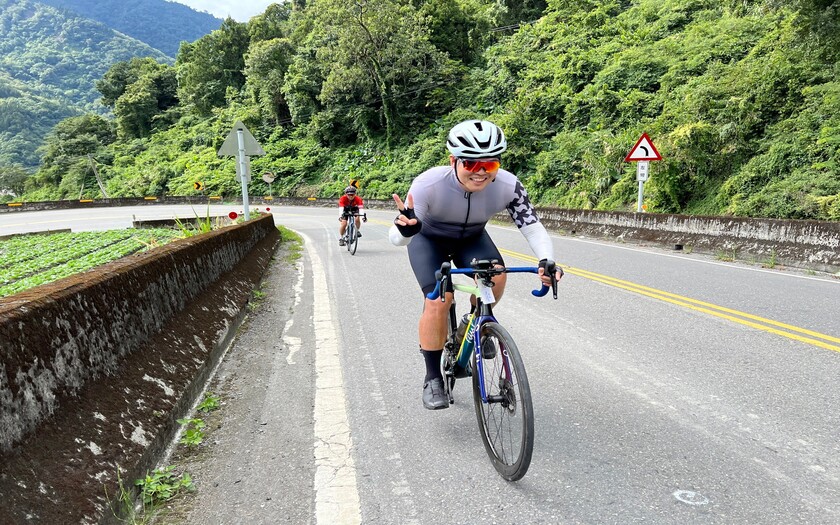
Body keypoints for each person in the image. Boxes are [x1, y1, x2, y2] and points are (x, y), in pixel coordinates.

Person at [389, 119, 564, 410]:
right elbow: (399, 234)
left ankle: (475, 323)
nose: (481, 173)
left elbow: (532, 227)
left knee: (497, 274)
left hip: (471, 238)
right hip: (427, 238)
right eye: (471, 164)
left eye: (490, 165)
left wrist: (546, 260)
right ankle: (432, 377)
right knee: (438, 300)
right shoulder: (428, 184)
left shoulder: (509, 185)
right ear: (453, 160)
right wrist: (405, 231)